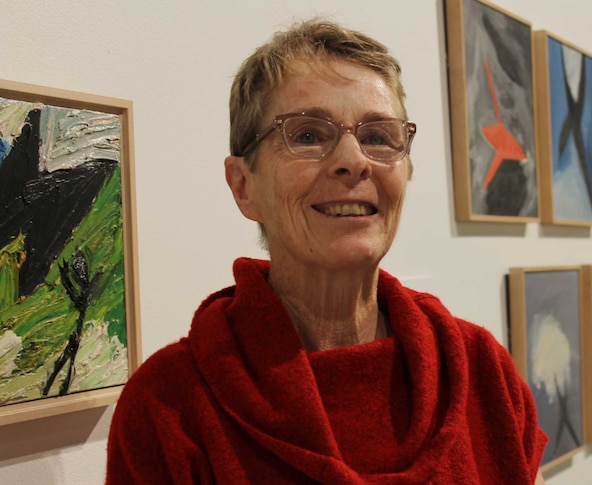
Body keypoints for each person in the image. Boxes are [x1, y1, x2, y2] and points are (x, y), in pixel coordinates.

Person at [106, 19, 547, 484]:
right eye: (308, 135)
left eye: (378, 136)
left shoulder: (481, 369)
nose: (354, 161)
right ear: (243, 186)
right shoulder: (170, 407)